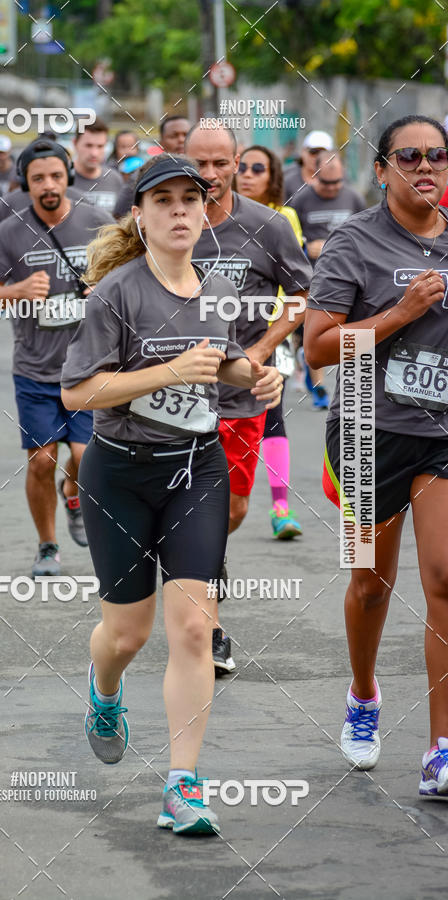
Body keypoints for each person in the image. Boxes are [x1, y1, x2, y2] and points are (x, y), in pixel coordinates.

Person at [60, 155, 283, 834]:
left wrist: (254, 377)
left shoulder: (217, 290)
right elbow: (77, 391)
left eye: (193, 198)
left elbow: (226, 362)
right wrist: (163, 373)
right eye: (166, 201)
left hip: (198, 469)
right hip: (120, 473)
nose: (181, 210)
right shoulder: (115, 295)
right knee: (126, 635)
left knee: (193, 626)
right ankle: (104, 691)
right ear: (141, 215)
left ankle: (183, 785)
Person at [304, 114, 448, 795]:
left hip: (442, 434)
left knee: (445, 578)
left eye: (438, 156)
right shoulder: (354, 243)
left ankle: (441, 748)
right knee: (371, 584)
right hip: (369, 429)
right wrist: (399, 314)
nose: (426, 166)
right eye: (411, 155)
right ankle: (364, 696)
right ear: (383, 167)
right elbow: (318, 347)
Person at [185, 123, 311, 671]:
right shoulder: (160, 222)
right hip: (173, 391)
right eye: (199, 165)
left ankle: (202, 561)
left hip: (240, 396)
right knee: (190, 506)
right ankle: (208, 623)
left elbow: (305, 296)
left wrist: (261, 348)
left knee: (232, 507)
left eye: (220, 164)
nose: (209, 176)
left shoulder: (268, 226)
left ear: (238, 162)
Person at [0, 138, 114, 576]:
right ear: (25, 183)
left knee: (85, 455)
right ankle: (47, 546)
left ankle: (73, 492)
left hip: (89, 367)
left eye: (56, 176)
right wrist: (17, 291)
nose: (48, 185)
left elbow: (132, 272)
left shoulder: (95, 220)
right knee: (41, 459)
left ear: (68, 177)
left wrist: (104, 287)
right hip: (35, 369)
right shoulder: (10, 230)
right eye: (38, 179)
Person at [235, 144, 305, 539]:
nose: (247, 174)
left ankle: (280, 507)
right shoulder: (209, 218)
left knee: (271, 413)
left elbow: (295, 284)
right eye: (241, 167)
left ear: (271, 177)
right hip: (219, 335)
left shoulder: (283, 217)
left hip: (269, 332)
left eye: (257, 168)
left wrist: (277, 331)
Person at [289, 153, 366, 410]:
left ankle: (353, 389)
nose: (333, 188)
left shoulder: (353, 197)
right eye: (326, 183)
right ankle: (320, 390)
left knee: (353, 331)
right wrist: (305, 246)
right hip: (313, 277)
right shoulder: (301, 199)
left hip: (350, 275)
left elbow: (369, 232)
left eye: (337, 182)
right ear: (314, 176)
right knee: (315, 332)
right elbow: (286, 237)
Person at [113, 116, 192, 220]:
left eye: (186, 135)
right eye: (174, 136)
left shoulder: (208, 170)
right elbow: (119, 215)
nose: (181, 140)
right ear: (161, 142)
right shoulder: (144, 174)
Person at [72, 118, 124, 214]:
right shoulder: (62, 179)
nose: (94, 153)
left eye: (100, 146)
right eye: (88, 145)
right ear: (75, 143)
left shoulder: (114, 179)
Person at [283, 129, 333, 202]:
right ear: (303, 152)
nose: (317, 157)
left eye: (322, 153)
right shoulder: (286, 180)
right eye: (313, 152)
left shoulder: (339, 180)